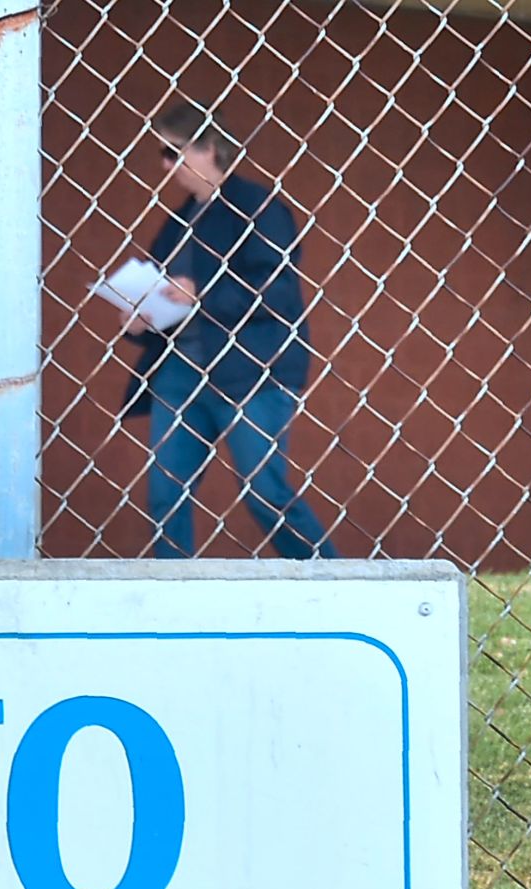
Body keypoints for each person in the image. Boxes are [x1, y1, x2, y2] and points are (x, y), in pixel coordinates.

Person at [121, 101, 338, 559]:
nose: (165, 163)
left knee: (264, 491)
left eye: (173, 150)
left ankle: (331, 580)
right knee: (166, 496)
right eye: (162, 152)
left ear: (210, 149)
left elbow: (276, 293)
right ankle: (174, 599)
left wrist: (202, 293)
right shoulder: (178, 223)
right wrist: (139, 318)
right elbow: (167, 294)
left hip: (251, 371)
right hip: (180, 370)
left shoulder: (259, 209)